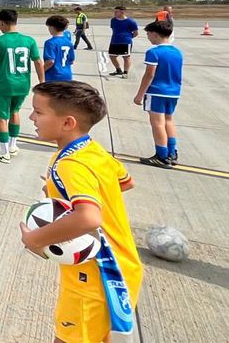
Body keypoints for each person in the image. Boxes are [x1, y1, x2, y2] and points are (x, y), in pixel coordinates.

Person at [22, 81, 141, 343]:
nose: (31, 117)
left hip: (97, 275)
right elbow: (126, 182)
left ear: (68, 123)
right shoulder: (91, 150)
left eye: (38, 112)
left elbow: (88, 218)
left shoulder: (71, 164)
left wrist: (35, 240)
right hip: (122, 265)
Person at [0, 9, 44, 163]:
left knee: (2, 116)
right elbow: (38, 62)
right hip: (23, 84)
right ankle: (13, 146)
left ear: (2, 23)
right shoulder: (29, 40)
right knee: (15, 112)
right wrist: (42, 81)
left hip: (5, 85)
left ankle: (4, 152)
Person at [134, 20, 183, 168]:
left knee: (157, 123)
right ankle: (172, 152)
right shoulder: (177, 52)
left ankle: (161, 155)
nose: (148, 37)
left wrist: (140, 94)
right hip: (173, 92)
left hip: (156, 91)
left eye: (148, 34)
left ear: (155, 35)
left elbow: (149, 74)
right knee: (168, 120)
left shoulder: (153, 52)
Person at [43, 15, 76, 82]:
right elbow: (71, 61)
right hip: (67, 75)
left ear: (52, 27)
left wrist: (41, 70)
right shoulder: (68, 42)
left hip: (54, 75)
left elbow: (50, 61)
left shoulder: (50, 43)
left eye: (49, 27)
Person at [108, 6, 139, 77]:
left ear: (122, 12)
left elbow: (136, 33)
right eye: (114, 11)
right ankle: (118, 70)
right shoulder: (113, 20)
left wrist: (127, 38)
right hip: (114, 41)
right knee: (112, 56)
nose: (114, 13)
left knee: (126, 57)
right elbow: (114, 29)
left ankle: (125, 72)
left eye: (116, 12)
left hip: (126, 42)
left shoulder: (131, 21)